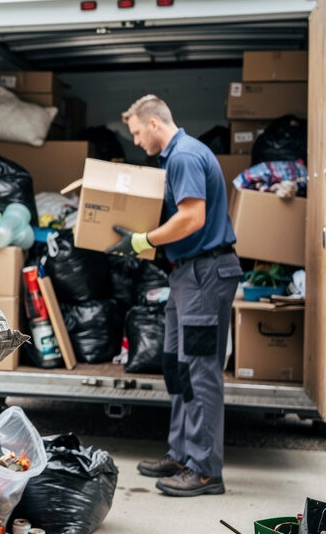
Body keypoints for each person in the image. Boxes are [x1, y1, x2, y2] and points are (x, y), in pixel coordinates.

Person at [107, 95, 242, 497]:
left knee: (200, 372)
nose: (135, 141)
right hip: (187, 274)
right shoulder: (175, 158)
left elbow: (192, 217)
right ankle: (183, 453)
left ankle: (204, 471)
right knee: (178, 367)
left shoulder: (183, 155)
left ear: (153, 124)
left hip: (205, 273)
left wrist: (141, 240)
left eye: (135, 132)